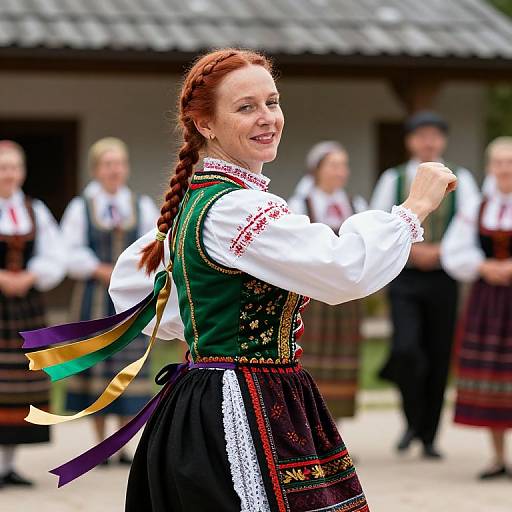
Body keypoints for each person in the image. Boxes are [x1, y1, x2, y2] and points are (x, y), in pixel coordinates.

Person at [23, 49, 456, 511]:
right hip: (243, 406)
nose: (267, 117)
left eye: (272, 102)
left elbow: (139, 293)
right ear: (205, 124)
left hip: (208, 397)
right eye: (246, 107)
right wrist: (413, 209)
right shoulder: (235, 209)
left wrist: (209, 332)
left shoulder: (202, 202)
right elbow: (343, 269)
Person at [370, 111, 480, 459]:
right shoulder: (394, 178)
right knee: (406, 348)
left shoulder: (461, 178)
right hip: (405, 276)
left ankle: (429, 434)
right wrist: (411, 249)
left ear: (443, 140)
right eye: (422, 135)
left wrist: (444, 249)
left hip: (444, 276)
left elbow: (471, 222)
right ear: (410, 141)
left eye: (435, 135)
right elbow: (379, 220)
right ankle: (411, 421)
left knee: (438, 353)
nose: (428, 142)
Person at [60, 137, 158, 464]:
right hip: (94, 297)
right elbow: (68, 250)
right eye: (107, 164)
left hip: (130, 297)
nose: (114, 170)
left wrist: (131, 272)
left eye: (119, 164)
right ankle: (100, 443)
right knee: (99, 369)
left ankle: (123, 444)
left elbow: (153, 246)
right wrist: (96, 268)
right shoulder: (81, 207)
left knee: (128, 369)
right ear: (96, 169)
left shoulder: (141, 205)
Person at [441, 136, 512, 480]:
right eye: (499, 163)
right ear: (489, 168)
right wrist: (483, 267)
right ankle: (498, 457)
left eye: (510, 162)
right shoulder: (478, 206)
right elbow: (455, 250)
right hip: (490, 301)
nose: (505, 169)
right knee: (493, 377)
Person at [0, 140, 66, 487]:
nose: (9, 174)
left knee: (17, 386)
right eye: (3, 167)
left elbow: (56, 252)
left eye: (14, 167)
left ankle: (8, 465)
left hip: (24, 307)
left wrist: (32, 274)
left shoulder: (34, 209)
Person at [288, 141, 367, 420]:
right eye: (333, 165)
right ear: (316, 170)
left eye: (344, 165)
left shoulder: (355, 205)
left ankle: (337, 435)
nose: (340, 172)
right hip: (314, 296)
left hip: (346, 298)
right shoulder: (300, 205)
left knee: (343, 362)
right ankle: (309, 429)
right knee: (311, 360)